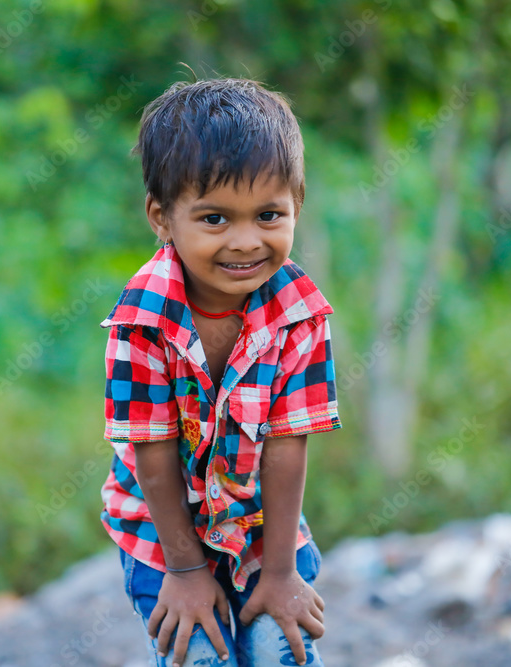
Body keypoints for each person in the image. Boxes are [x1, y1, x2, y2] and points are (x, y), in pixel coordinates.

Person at [98, 76, 342, 666]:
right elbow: (152, 451)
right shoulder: (142, 322)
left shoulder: (299, 315)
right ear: (162, 217)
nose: (245, 242)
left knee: (279, 646)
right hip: (162, 527)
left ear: (297, 206)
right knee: (199, 653)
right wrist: (185, 571)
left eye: (268, 215)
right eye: (214, 219)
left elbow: (287, 443)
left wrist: (279, 573)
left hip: (260, 521)